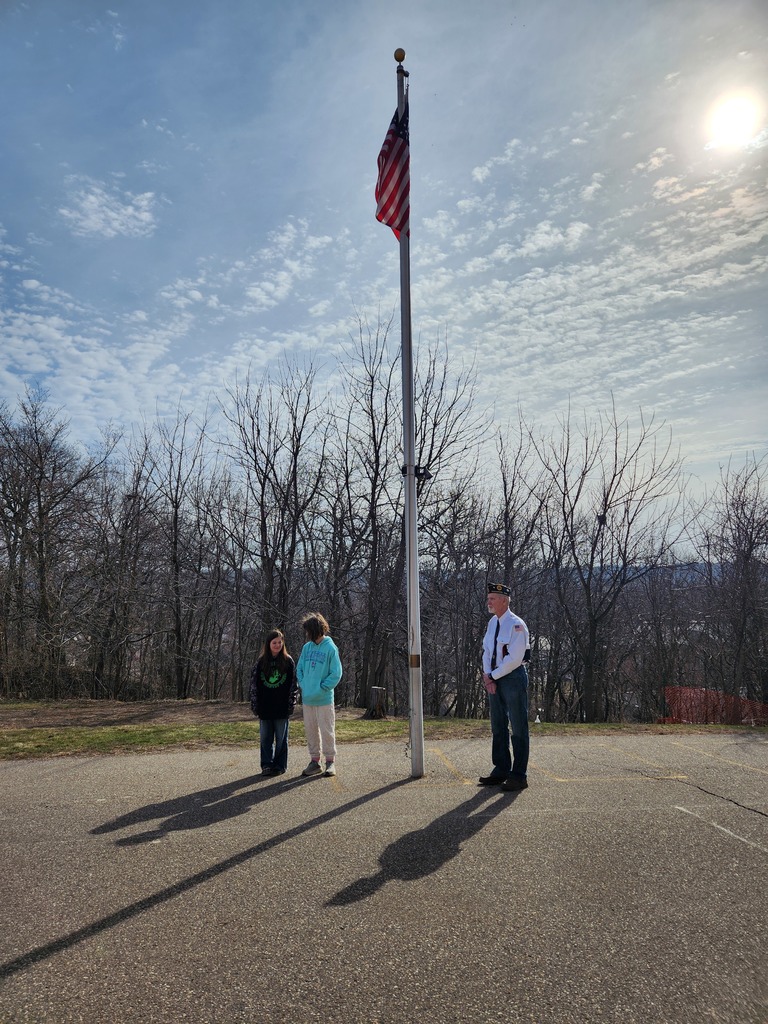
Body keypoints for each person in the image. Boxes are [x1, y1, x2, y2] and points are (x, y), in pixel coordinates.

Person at [479, 582, 531, 792]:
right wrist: (487, 676)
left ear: (504, 600)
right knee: (498, 726)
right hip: (494, 677)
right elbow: (486, 650)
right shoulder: (493, 622)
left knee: (518, 728)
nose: (488, 602)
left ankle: (518, 776)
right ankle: (501, 769)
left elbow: (514, 659)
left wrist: (493, 675)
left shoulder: (517, 624)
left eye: (492, 598)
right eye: (489, 598)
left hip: (512, 678)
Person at [296, 612, 343, 778]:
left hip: (324, 699)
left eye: (308, 631)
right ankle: (314, 762)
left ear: (315, 630)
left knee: (327, 730)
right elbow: (299, 668)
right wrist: (304, 684)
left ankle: (330, 762)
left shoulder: (330, 647)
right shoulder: (306, 648)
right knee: (311, 731)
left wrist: (323, 687)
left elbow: (336, 673)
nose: (306, 634)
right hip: (308, 699)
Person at [249, 629, 297, 776]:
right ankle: (266, 765)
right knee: (265, 738)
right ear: (268, 644)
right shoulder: (261, 662)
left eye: (279, 642)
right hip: (265, 707)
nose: (277, 645)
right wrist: (255, 704)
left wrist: (291, 703)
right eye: (274, 642)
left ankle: (280, 765)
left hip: (281, 707)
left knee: (282, 739)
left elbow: (293, 685)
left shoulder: (288, 661)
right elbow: (253, 685)